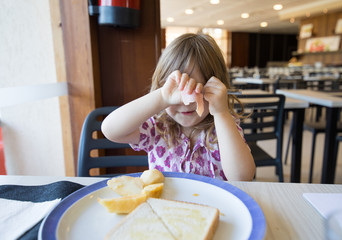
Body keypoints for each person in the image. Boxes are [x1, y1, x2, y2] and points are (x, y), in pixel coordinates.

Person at [101, 33, 255, 181]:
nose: (186, 102)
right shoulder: (157, 128)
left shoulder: (224, 126)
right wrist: (162, 97)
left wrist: (221, 112)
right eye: (176, 92)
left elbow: (242, 177)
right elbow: (110, 129)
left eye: (197, 91)